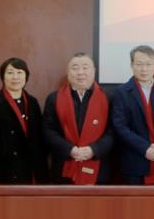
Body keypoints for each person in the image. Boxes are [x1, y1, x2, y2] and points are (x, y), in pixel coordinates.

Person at [111, 45, 154, 185]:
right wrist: (146, 148)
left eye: (148, 64)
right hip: (135, 162)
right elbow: (120, 126)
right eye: (139, 64)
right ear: (132, 65)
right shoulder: (122, 92)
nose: (144, 69)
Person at [42, 53, 114, 184]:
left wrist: (94, 150)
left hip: (99, 168)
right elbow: (48, 130)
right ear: (68, 71)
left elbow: (113, 131)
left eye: (85, 67)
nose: (80, 72)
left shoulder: (108, 98)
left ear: (94, 71)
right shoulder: (54, 98)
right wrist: (70, 149)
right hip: (64, 166)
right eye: (75, 68)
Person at [0, 57, 48, 184]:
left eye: (19, 72)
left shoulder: (32, 102)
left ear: (26, 76)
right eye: (10, 73)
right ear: (2, 76)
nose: (15, 77)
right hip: (4, 167)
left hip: (32, 168)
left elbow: (39, 136)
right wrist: (4, 152)